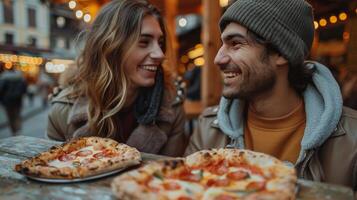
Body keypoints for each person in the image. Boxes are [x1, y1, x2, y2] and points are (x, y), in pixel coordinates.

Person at [185, 0, 357, 190]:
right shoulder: (208, 128)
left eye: (235, 44)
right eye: (222, 44)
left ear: (281, 53)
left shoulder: (351, 139)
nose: (218, 58)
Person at [46, 0, 187, 157]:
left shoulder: (171, 107)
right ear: (111, 48)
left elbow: (171, 174)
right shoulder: (63, 111)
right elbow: (56, 173)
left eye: (160, 43)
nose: (160, 54)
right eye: (144, 42)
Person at [0, 64, 27, 135]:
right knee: (17, 115)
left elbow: (1, 90)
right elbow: (24, 88)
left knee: (10, 116)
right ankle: (18, 129)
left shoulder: (4, 77)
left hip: (7, 100)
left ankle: (14, 131)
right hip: (18, 99)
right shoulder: (20, 77)